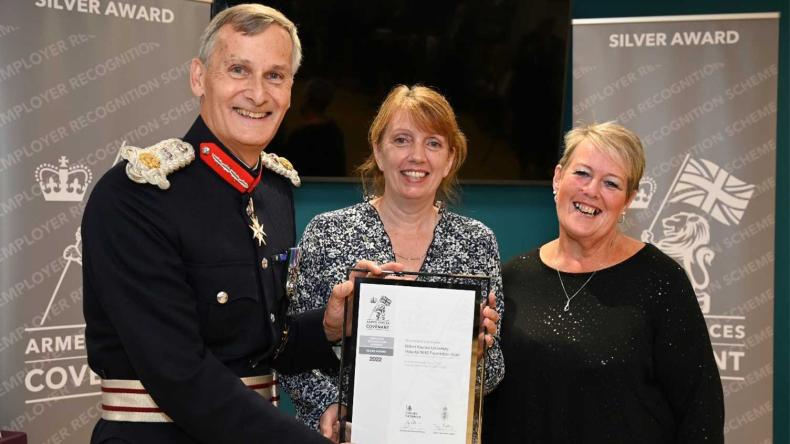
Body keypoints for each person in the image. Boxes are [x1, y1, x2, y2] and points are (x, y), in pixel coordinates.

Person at [81, 4, 391, 443]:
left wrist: (330, 326)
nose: (258, 94)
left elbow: (261, 347)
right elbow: (180, 372)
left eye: (275, 76)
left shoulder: (274, 192)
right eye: (239, 70)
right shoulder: (137, 196)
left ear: (290, 90)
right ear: (198, 77)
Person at [279, 85, 505, 439]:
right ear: (378, 152)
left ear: (449, 160)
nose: (417, 156)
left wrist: (481, 348)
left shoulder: (477, 242)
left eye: (433, 143)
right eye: (402, 140)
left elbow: (489, 378)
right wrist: (327, 405)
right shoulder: (327, 232)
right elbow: (290, 348)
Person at [483, 121, 724, 443]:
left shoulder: (661, 281)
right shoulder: (511, 278)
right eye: (582, 173)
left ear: (628, 200)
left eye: (611, 183)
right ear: (558, 177)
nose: (591, 190)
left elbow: (700, 410)